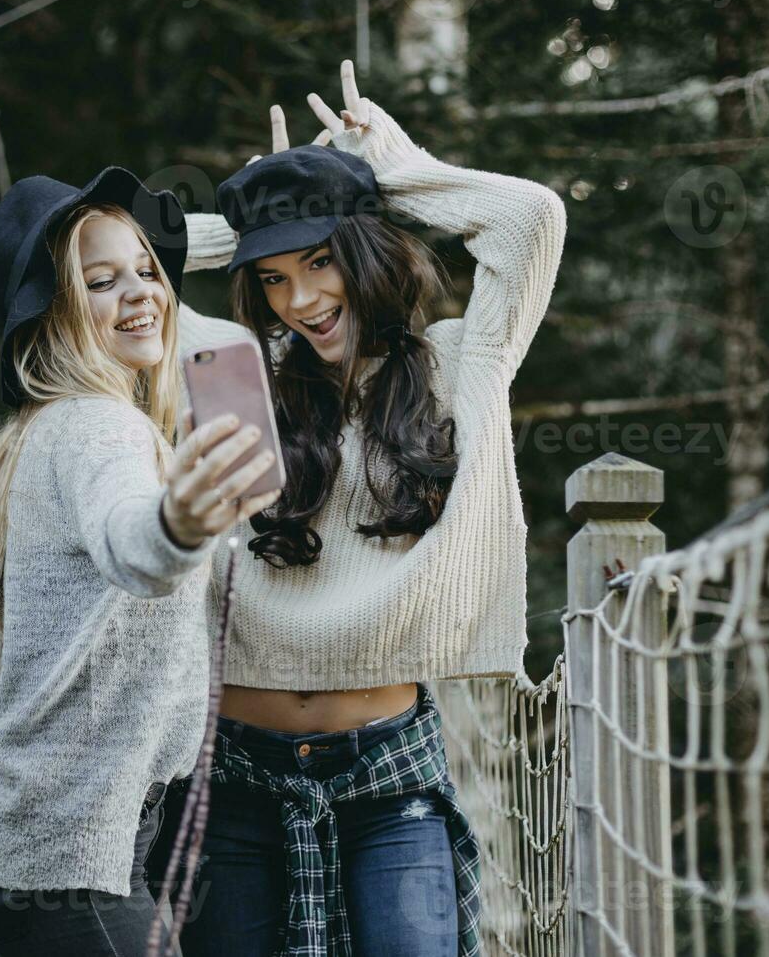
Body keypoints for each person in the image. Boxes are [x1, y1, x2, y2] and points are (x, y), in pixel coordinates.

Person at [158, 61, 568, 956]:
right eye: (270, 278)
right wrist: (260, 217)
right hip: (232, 772)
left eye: (319, 263)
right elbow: (101, 267)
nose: (299, 300)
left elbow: (532, 217)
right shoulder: (235, 373)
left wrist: (388, 174)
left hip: (391, 776)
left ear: (365, 249)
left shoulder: (464, 360)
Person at [0, 165, 280, 956]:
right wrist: (179, 524)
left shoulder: (33, 431)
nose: (142, 293)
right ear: (53, 315)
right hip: (66, 856)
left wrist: (284, 199)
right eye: (100, 282)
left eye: (146, 271)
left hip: (29, 838)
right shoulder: (102, 428)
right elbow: (134, 544)